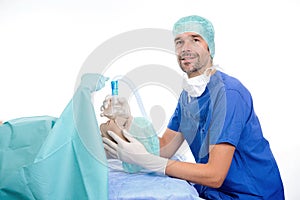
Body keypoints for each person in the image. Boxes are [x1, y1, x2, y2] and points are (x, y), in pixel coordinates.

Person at [102, 15, 285, 199]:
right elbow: (165, 147)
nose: (185, 48)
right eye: (179, 42)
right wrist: (127, 121)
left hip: (251, 194)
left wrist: (150, 161)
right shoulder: (188, 96)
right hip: (216, 193)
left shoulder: (229, 94)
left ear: (209, 47)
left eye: (195, 40)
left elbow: (215, 175)